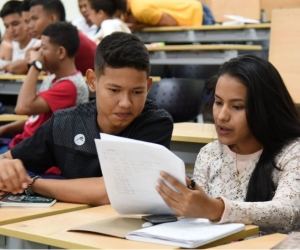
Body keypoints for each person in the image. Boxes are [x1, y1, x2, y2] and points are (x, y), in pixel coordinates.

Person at [0, 32, 173, 206]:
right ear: (92, 81)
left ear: (148, 86)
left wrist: (32, 184)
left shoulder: (156, 123)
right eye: (114, 90)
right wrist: (4, 167)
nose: (126, 103)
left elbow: (111, 191)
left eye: (137, 92)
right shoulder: (64, 123)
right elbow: (7, 159)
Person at [157, 54, 300, 234]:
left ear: (265, 109)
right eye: (218, 102)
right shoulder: (209, 153)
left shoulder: (293, 152)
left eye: (237, 106)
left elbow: (287, 212)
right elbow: (199, 219)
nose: (222, 116)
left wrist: (216, 208)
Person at [0, 22, 89, 155]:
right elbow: (34, 120)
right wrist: (4, 129)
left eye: (43, 48)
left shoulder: (70, 86)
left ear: (60, 52)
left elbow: (22, 108)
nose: (38, 53)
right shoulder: (52, 79)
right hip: (23, 146)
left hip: (36, 156)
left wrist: (35, 65)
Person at [26, 0, 96, 75]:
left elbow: (30, 65)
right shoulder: (59, 38)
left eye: (35, 18)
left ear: (52, 19)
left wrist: (35, 63)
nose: (30, 26)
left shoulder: (69, 39)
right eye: (29, 21)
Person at [123, 0, 215, 32]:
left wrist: (139, 26)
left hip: (197, 15)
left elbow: (171, 22)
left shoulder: (140, 10)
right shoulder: (135, 4)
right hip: (194, 11)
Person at [0, 0, 39, 74]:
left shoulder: (38, 45)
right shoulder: (9, 46)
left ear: (26, 20)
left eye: (15, 24)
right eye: (7, 26)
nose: (11, 30)